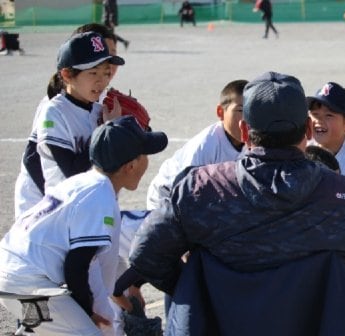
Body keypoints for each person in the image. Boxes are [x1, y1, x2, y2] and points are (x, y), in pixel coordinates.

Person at [128, 71, 345, 334]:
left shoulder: (200, 189)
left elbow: (146, 253)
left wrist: (202, 289)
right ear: (308, 130)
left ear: (244, 131)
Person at [0, 115, 168, 336]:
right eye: (145, 155)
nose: (147, 160)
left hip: (16, 274)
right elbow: (77, 264)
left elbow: (92, 266)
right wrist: (88, 311)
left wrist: (111, 302)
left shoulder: (81, 183)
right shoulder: (100, 196)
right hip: (33, 282)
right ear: (131, 166)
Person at [14, 31, 124, 219]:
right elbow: (73, 173)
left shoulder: (100, 111)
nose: (102, 81)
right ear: (67, 74)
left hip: (85, 209)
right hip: (55, 214)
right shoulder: (54, 112)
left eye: (106, 73)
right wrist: (106, 131)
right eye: (93, 73)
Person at [146, 79, 247, 210]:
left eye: (252, 110)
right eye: (240, 110)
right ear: (220, 112)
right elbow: (186, 195)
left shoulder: (255, 140)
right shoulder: (205, 147)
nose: (246, 119)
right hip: (167, 199)